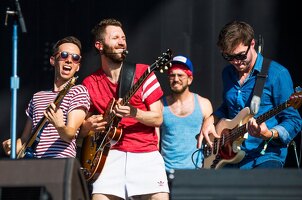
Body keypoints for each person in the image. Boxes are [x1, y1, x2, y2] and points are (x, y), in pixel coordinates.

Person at [80, 18, 169, 200]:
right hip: (109, 154)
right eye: (115, 38)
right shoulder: (89, 83)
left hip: (145, 153)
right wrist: (88, 126)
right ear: (99, 45)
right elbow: (81, 129)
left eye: (124, 38)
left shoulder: (143, 72)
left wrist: (133, 112)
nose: (122, 42)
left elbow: (158, 118)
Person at [198, 20, 302, 169]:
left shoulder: (277, 74)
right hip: (229, 156)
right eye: (229, 57)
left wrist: (269, 133)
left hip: (264, 156)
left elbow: (294, 120)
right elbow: (228, 109)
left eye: (240, 56)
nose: (236, 62)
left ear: (252, 44)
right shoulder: (227, 73)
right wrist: (210, 119)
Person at [2, 36, 90, 158]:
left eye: (75, 58)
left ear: (78, 66)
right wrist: (12, 146)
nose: (69, 60)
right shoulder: (37, 97)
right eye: (64, 55)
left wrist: (59, 125)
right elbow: (26, 139)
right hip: (34, 165)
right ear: (53, 60)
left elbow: (69, 134)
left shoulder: (78, 91)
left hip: (60, 162)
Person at [158, 55, 213, 171]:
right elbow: (154, 141)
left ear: (190, 79)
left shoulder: (204, 104)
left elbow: (212, 139)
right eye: (172, 75)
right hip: (166, 172)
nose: (176, 79)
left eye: (180, 75)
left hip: (196, 172)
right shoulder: (160, 105)